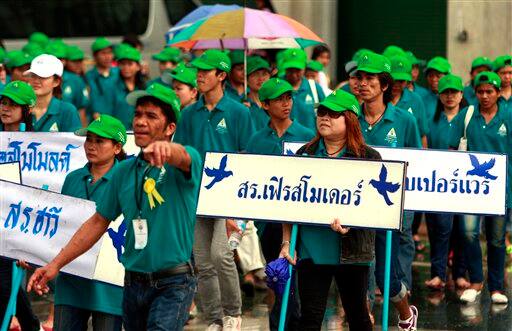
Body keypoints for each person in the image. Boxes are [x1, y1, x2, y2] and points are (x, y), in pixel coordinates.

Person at [27, 83, 201, 331]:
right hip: (132, 283)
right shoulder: (124, 171)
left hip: (173, 283)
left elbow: (183, 157)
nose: (141, 121)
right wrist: (55, 264)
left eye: (151, 116)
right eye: (138, 114)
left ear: (170, 127)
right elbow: (98, 221)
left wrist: (168, 149)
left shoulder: (184, 163)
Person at [279, 89, 376, 330]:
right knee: (310, 318)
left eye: (333, 114)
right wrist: (285, 242)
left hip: (352, 251)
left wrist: (352, 221)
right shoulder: (304, 154)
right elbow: (288, 204)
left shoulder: (368, 157)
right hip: (312, 249)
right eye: (321, 112)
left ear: (350, 120)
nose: (324, 117)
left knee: (358, 318)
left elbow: (378, 207)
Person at [174, 49, 255, 331]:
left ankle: (233, 312)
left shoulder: (238, 112)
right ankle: (215, 318)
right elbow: (180, 154)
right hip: (195, 195)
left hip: (228, 196)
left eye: (205, 71)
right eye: (197, 71)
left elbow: (247, 156)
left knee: (222, 255)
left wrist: (240, 204)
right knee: (202, 262)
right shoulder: (187, 113)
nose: (199, 76)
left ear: (221, 76)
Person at [355, 52, 420, 330]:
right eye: (360, 78)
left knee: (386, 276)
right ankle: (364, 316)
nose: (363, 83)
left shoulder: (404, 120)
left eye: (370, 78)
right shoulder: (349, 117)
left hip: (390, 207)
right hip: (355, 205)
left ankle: (406, 313)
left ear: (384, 85)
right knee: (357, 269)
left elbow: (418, 163)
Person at [247, 77, 314, 330]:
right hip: (269, 223)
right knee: (276, 277)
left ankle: (288, 324)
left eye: (289, 98)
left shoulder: (307, 136)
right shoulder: (256, 140)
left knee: (296, 279)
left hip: (299, 222)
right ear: (265, 104)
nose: (286, 103)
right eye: (279, 99)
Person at [53, 115, 126, 331]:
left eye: (99, 141)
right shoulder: (72, 178)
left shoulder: (127, 180)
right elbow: (59, 225)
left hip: (109, 285)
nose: (91, 146)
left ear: (117, 147)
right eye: (89, 140)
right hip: (70, 281)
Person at [449, 71, 511, 305]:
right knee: (468, 233)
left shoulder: (508, 116)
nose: (484, 96)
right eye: (480, 91)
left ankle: (496, 287)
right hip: (471, 190)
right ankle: (476, 281)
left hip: (500, 190)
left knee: (496, 239)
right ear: (474, 93)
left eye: (489, 91)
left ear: (497, 93)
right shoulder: (468, 114)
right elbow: (452, 148)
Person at [0, 81, 41, 331]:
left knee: (6, 286)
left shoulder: (38, 146)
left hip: (18, 223)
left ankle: (30, 325)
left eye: (13, 104)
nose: (5, 108)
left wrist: (30, 241)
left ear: (26, 109)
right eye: (3, 102)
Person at [425, 74, 469, 290]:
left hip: (464, 185)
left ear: (462, 94)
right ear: (439, 95)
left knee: (462, 230)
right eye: (445, 92)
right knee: (440, 229)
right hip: (438, 184)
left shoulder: (469, 119)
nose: (450, 96)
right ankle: (438, 274)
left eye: (454, 92)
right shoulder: (432, 121)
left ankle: (460, 273)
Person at [24, 54, 81, 132]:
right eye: (33, 75)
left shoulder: (68, 111)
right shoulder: (18, 107)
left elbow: (74, 143)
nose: (36, 81)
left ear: (56, 82)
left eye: (43, 76)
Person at [389, 55, 429, 147]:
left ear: (408, 81)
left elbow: (422, 134)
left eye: (401, 81)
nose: (396, 84)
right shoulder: (379, 99)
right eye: (393, 80)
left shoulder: (416, 100)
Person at [46, 42, 90, 127]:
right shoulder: (37, 79)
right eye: (55, 58)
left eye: (61, 59)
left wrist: (81, 135)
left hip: (69, 128)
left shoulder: (75, 80)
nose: (58, 62)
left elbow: (81, 110)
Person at [281, 48, 325, 131]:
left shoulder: (314, 89)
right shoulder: (277, 87)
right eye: (290, 70)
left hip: (310, 141)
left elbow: (325, 115)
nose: (294, 74)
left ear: (305, 67)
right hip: (283, 141)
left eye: (298, 70)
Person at [111, 44, 146, 129]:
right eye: (123, 64)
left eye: (130, 64)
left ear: (138, 67)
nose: (126, 67)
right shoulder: (111, 86)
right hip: (116, 134)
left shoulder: (145, 88)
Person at [85, 37, 119, 120]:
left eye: (110, 53)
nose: (107, 57)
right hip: (97, 123)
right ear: (95, 56)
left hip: (118, 121)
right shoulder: (88, 76)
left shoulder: (119, 73)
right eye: (103, 53)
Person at [245, 56, 271, 131]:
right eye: (255, 74)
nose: (261, 79)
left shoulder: (275, 102)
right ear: (246, 79)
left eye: (264, 74)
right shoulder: (242, 105)